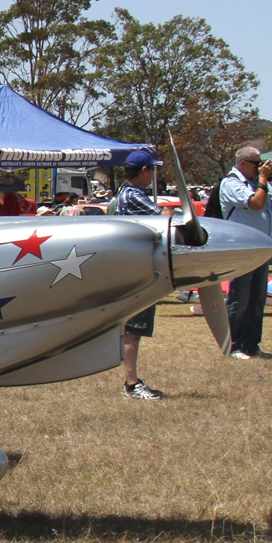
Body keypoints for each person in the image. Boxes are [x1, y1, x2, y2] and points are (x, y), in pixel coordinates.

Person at [219, 145, 272, 359]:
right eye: (257, 164)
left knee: (257, 299)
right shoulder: (231, 183)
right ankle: (235, 345)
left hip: (262, 249)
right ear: (243, 163)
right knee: (239, 299)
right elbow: (256, 203)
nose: (260, 168)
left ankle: (252, 345)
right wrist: (264, 180)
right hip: (242, 249)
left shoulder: (260, 184)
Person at [114, 151, 165, 400]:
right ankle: (131, 383)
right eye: (152, 170)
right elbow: (164, 219)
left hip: (133, 266)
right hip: (137, 268)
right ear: (144, 171)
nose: (154, 175)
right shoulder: (133, 195)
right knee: (134, 328)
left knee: (135, 328)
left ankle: (132, 381)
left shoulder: (126, 194)